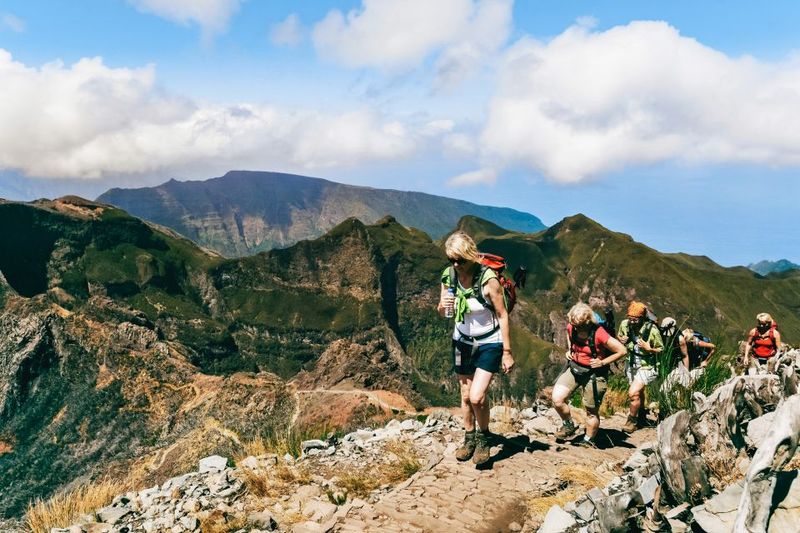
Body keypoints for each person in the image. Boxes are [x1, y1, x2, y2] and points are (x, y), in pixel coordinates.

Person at [438, 232, 514, 466]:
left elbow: (502, 314)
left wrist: (507, 351)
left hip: (489, 342)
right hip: (462, 340)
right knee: (464, 395)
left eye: (460, 259)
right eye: (452, 259)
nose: (456, 265)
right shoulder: (449, 276)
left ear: (471, 256)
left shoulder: (488, 279)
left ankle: (483, 438)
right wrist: (443, 306)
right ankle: (469, 438)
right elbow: (442, 311)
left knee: (477, 397)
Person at [552, 303, 627, 447]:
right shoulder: (571, 327)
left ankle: (588, 441)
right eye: (573, 324)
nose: (575, 327)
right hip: (575, 368)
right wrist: (570, 350)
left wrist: (602, 362)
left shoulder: (599, 333)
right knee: (557, 399)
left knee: (591, 411)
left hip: (594, 374)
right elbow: (570, 336)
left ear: (587, 322)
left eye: (578, 325)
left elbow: (622, 350)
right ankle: (568, 425)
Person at [617, 301, 663, 433]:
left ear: (642, 318)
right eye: (630, 319)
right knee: (638, 392)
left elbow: (661, 349)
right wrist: (621, 340)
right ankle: (642, 416)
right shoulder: (625, 325)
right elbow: (619, 336)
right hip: (631, 362)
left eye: (635, 320)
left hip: (647, 365)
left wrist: (649, 349)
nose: (631, 322)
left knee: (633, 393)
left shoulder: (652, 330)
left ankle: (631, 421)